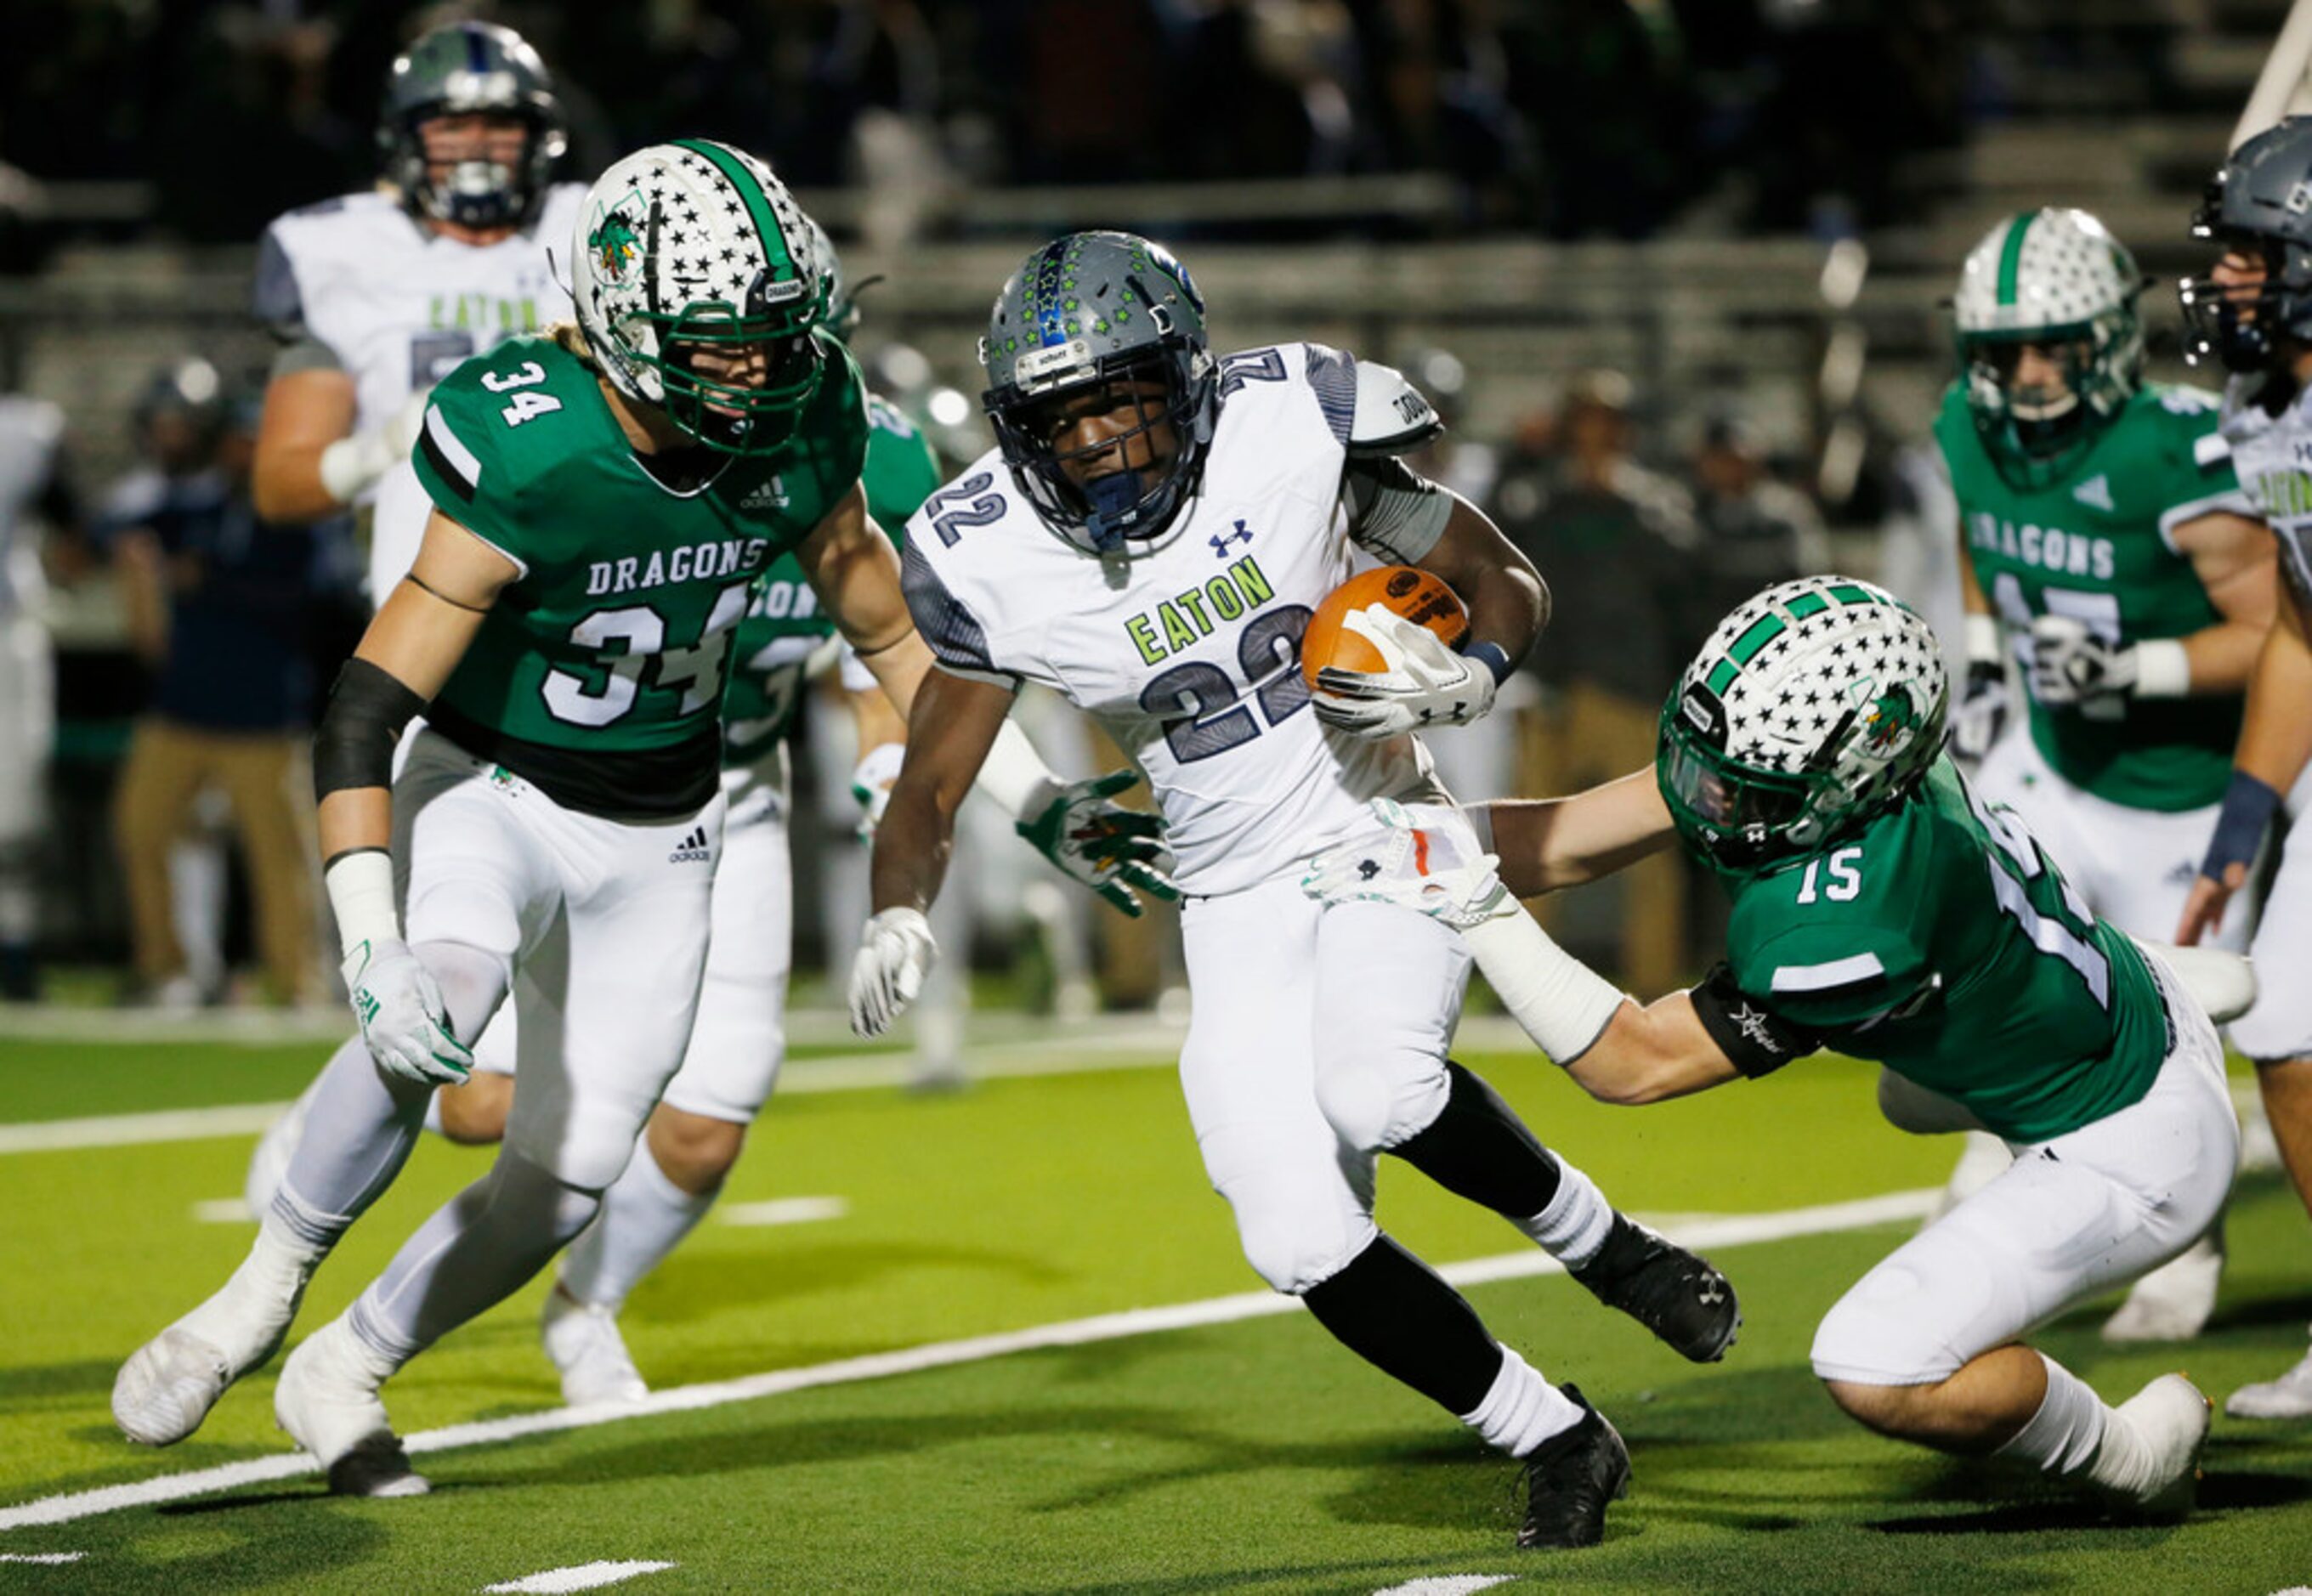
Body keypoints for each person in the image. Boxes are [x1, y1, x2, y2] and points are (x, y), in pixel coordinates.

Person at [111, 141, 1152, 1497]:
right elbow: (368, 704)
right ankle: (255, 1297)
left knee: (572, 1174)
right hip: (491, 781)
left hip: (673, 828)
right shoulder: (534, 437)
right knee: (442, 998)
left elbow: (894, 641)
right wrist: (367, 933)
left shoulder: (813, 421)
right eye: (726, 347)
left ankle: (349, 1364)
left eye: (783, 341)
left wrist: (1037, 803)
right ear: (621, 322)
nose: (762, 373)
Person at [850, 229, 1741, 1550]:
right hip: (1229, 897)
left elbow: (1503, 575)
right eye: (1058, 416)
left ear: (1185, 377)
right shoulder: (989, 552)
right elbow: (930, 779)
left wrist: (1475, 672)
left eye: (1113, 398)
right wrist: (900, 904)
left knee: (1378, 1086)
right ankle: (1553, 1429)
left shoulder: (1291, 420)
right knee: (1293, 1232)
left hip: (1380, 823)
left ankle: (1607, 1246)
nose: (1089, 439)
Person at [1308, 575, 2238, 1518]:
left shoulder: (1851, 917)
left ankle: (2131, 1456)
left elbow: (1633, 1064)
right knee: (1902, 1086)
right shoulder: (1838, 773)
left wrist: (1467, 899)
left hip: (2129, 1143)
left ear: (1858, 769)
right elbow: (1587, 832)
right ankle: (2166, 986)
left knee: (1874, 1363)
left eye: (1731, 784)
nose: (1700, 793)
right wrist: (1424, 834)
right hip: (2095, 1007)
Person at [1933, 206, 2275, 1343]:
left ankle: (2191, 1243)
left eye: (2054, 348)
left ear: (2110, 341)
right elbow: (1990, 550)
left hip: (2184, 789)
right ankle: (2004, 1132)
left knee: (2178, 1026)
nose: (2026, 377)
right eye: (2002, 352)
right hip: (2056, 761)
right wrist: (1986, 668)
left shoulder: (2170, 452)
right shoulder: (1966, 433)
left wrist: (2137, 661)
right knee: (1995, 953)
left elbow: (2280, 630)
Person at [2174, 116, 2312, 1418]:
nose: (2225, 280)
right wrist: (2241, 824)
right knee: (2282, 1024)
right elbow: (2300, 629)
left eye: (2255, 256)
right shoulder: (2265, 405)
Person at [112, 376, 324, 1008]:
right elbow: (119, 528)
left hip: (262, 717)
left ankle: (297, 981)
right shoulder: (195, 508)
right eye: (236, 442)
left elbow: (310, 597)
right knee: (140, 828)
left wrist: (211, 583)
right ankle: (164, 967)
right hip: (181, 708)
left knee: (278, 860)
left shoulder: (297, 517)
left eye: (254, 442)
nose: (243, 454)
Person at [1490, 369, 1697, 991]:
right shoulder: (1542, 496)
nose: (1595, 432)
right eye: (1585, 419)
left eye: (1606, 420)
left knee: (1653, 847)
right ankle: (1518, 981)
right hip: (1552, 689)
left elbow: (1685, 569)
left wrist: (1621, 499)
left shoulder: (1653, 500)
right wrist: (1517, 454)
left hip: (1630, 689)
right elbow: (1493, 539)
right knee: (1524, 844)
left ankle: (1656, 980)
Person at [0, 382, 71, 1000]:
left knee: (15, 810)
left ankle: (16, 945)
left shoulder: (25, 426)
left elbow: (70, 526)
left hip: (7, 634)